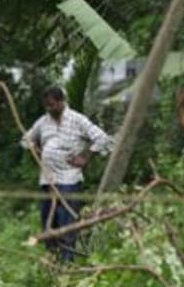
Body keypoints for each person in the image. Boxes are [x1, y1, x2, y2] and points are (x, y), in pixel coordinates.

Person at [21, 86, 112, 262]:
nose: (50, 109)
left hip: (69, 179)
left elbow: (102, 138)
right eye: (46, 106)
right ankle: (52, 258)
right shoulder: (43, 121)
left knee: (67, 220)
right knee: (48, 218)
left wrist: (86, 158)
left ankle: (67, 260)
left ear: (62, 102)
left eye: (53, 105)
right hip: (48, 179)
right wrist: (38, 151)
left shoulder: (77, 120)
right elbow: (26, 140)